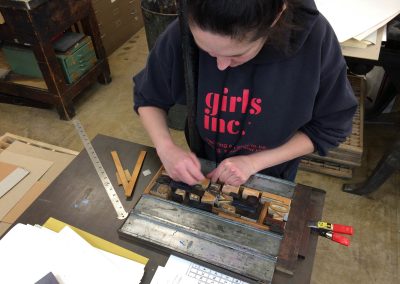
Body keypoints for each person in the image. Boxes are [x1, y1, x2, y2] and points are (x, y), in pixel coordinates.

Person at [133, 0, 358, 186]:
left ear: (276, 17)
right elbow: (148, 95)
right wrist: (166, 148)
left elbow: (330, 127)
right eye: (207, 51)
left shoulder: (315, 41)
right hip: (204, 161)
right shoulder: (183, 29)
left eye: (237, 55)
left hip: (273, 171)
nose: (220, 65)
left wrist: (253, 163)